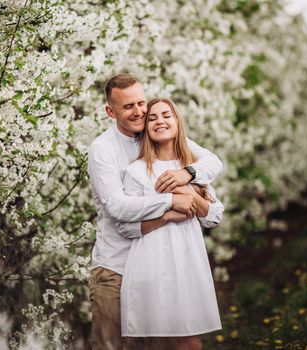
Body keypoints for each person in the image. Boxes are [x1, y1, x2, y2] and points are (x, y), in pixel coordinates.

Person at [88, 73, 223, 350]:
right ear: (110, 111)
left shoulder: (158, 137)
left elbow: (211, 161)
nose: (139, 112)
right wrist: (171, 202)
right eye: (128, 107)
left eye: (141, 103)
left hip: (160, 267)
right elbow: (117, 206)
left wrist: (188, 173)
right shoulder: (103, 149)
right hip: (116, 266)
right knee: (109, 344)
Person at [120, 98, 223, 350]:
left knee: (189, 340)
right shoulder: (136, 171)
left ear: (177, 121)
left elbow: (213, 216)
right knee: (161, 340)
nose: (160, 121)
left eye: (166, 115)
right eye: (152, 118)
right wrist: (167, 213)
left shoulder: (193, 167)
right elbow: (126, 227)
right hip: (151, 258)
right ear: (145, 127)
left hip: (188, 259)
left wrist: (189, 195)